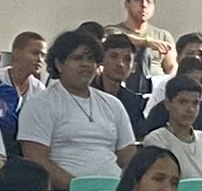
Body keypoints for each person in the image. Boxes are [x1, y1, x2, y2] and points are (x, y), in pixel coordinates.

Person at [21, 30, 137, 182]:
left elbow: (128, 157)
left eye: (91, 59)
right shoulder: (40, 104)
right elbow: (37, 161)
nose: (85, 64)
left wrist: (125, 188)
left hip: (114, 189)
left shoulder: (112, 104)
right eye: (77, 58)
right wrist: (79, 186)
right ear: (59, 64)